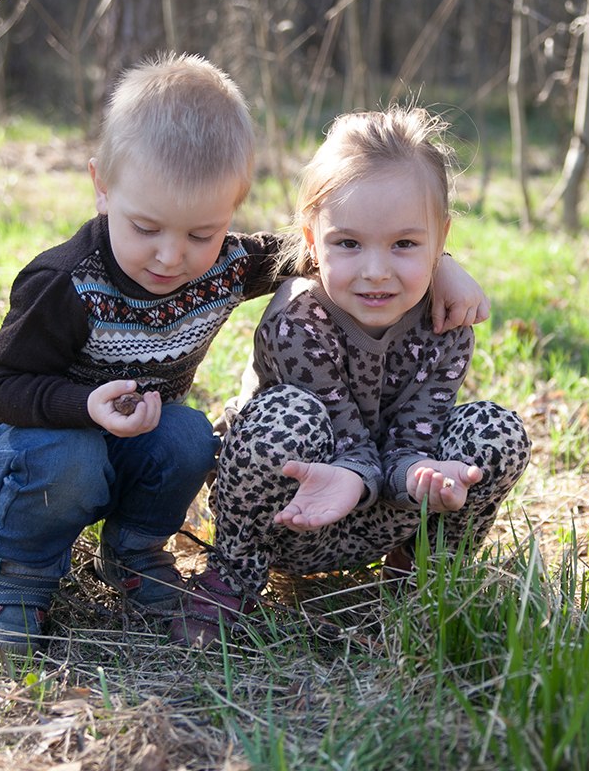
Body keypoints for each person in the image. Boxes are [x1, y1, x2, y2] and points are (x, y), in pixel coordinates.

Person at [0, 55, 488, 653]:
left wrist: (440, 265)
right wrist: (83, 405)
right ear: (103, 186)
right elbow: (2, 388)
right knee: (70, 456)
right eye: (146, 228)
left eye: (201, 234)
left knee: (187, 436)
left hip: (124, 442)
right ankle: (17, 583)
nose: (171, 257)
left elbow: (342, 248)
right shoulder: (64, 282)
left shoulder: (227, 265)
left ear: (232, 207)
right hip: (18, 446)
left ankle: (133, 553)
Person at [174, 106, 531, 645]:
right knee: (283, 417)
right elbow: (343, 438)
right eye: (348, 243)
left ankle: (425, 572)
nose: (376, 271)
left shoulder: (445, 323)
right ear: (312, 240)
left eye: (405, 244)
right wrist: (357, 475)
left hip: (387, 512)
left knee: (496, 432)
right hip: (296, 512)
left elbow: (417, 432)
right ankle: (235, 576)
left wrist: (422, 476)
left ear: (441, 239)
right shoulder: (300, 319)